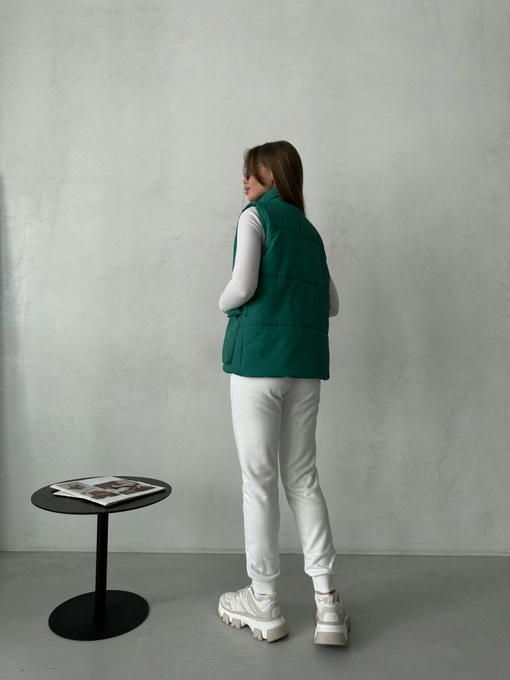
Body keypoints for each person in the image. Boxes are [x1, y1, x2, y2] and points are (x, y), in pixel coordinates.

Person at [216, 141, 351, 646]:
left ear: (272, 174)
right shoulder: (310, 234)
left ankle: (264, 601)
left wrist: (223, 302)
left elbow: (241, 286)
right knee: (303, 478)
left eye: (251, 172)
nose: (244, 181)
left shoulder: (256, 217)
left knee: (259, 481)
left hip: (258, 365)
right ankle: (328, 605)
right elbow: (332, 303)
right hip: (304, 367)